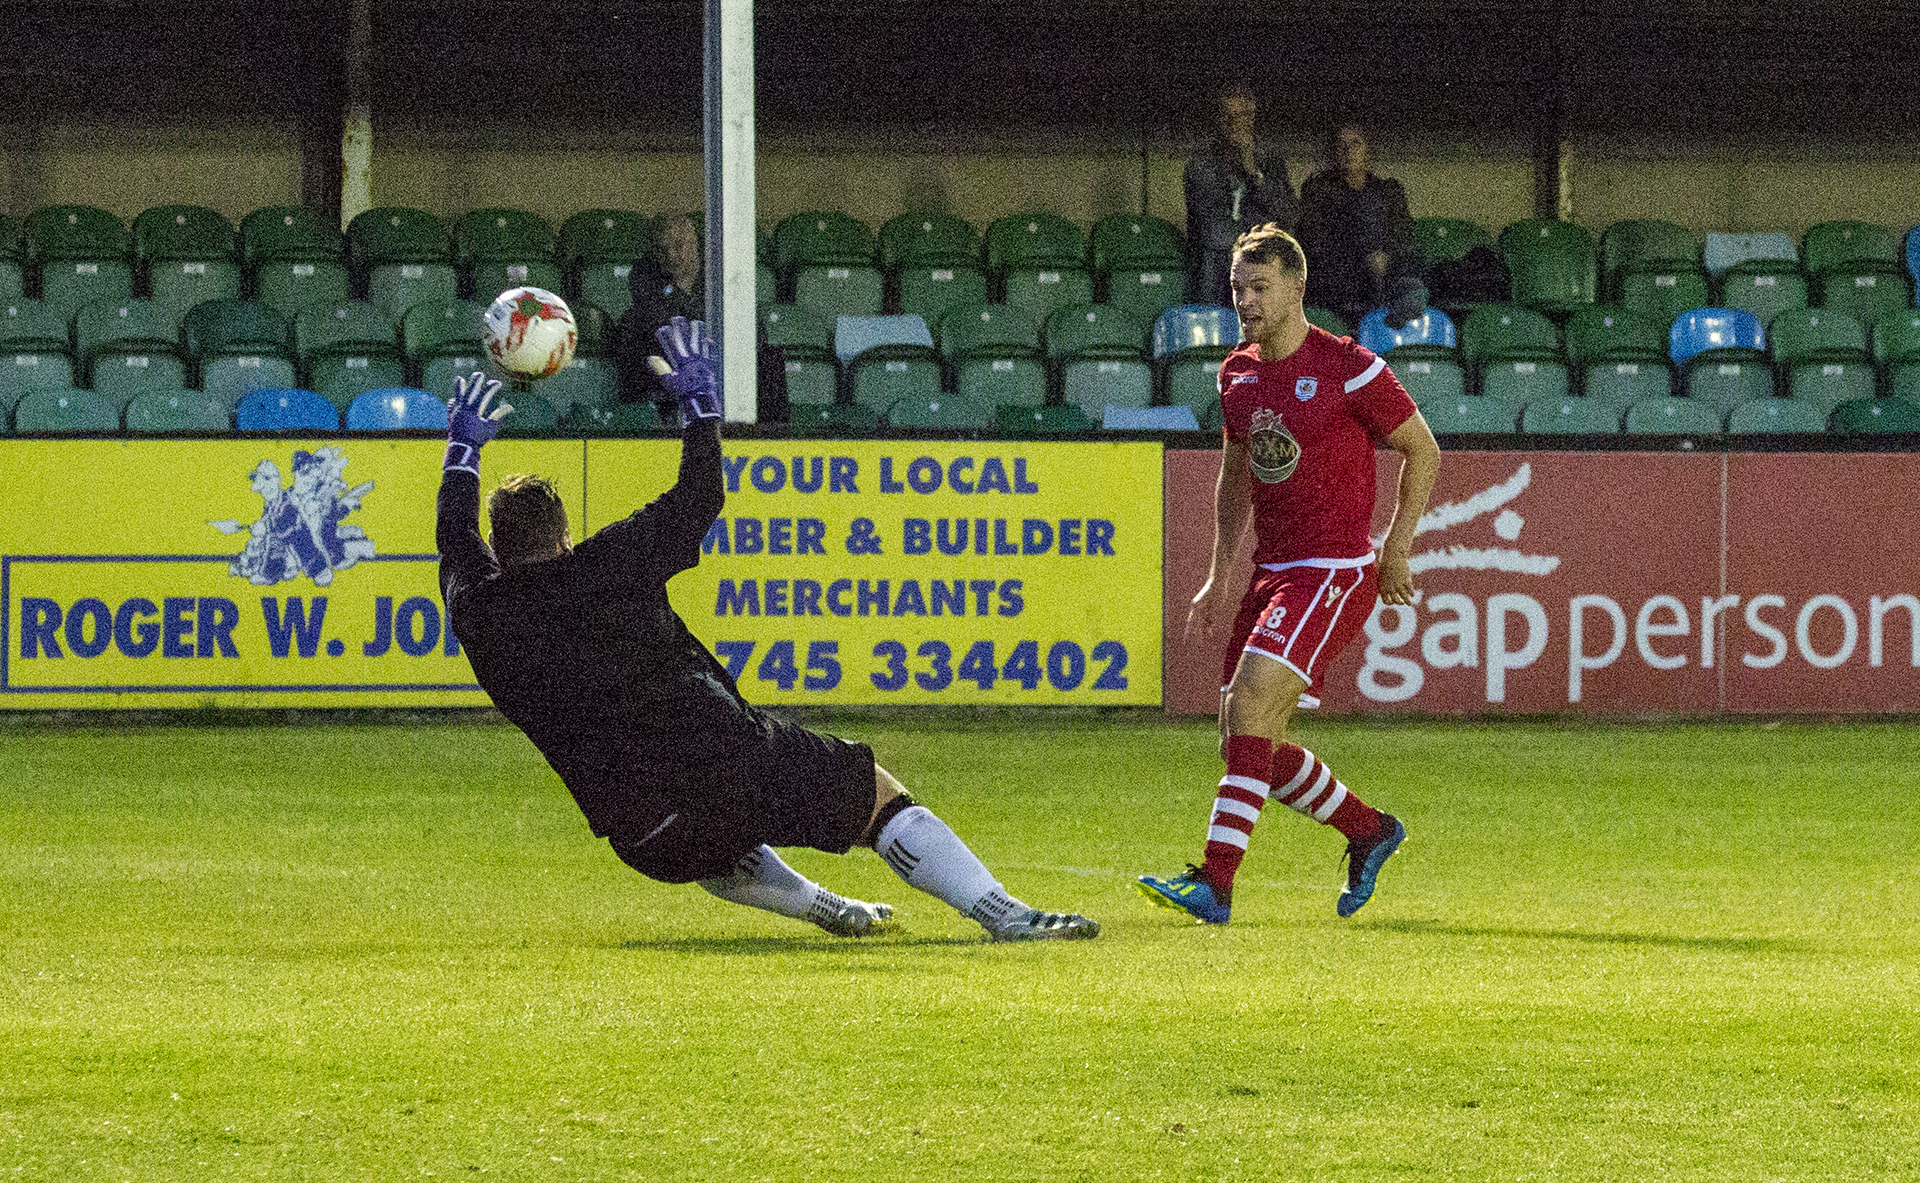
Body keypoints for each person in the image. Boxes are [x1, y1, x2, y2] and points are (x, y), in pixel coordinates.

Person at [437, 316, 1098, 942]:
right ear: (564, 535)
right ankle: (1005, 913)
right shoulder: (608, 563)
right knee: (875, 795)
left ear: (499, 544)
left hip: (647, 838)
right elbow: (699, 497)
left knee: (712, 844)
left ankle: (833, 909)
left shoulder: (481, 614)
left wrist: (460, 452)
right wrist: (700, 408)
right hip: (729, 766)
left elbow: (453, 543)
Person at [1136, 225, 1440, 925]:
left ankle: (1214, 882)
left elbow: (1422, 450)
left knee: (1249, 713)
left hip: (1333, 571)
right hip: (1272, 573)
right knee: (1244, 741)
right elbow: (1235, 476)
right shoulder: (1236, 373)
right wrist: (1218, 575)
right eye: (1238, 288)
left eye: (1259, 286)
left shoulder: (1349, 366)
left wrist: (1397, 547)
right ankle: (1369, 829)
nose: (1245, 299)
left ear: (1297, 289)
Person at [615, 214, 788, 423]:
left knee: (769, 357)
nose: (671, 256)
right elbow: (657, 332)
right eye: (662, 250)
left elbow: (748, 330)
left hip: (722, 363)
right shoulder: (645, 282)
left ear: (694, 241)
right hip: (674, 367)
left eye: (678, 246)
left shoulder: (721, 278)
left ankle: (772, 434)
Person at [1295, 124, 1424, 328]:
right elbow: (1314, 240)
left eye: (1355, 143)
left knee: (1412, 272)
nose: (1348, 151)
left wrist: (1384, 256)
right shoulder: (1319, 189)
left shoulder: (1387, 191)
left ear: (1368, 151)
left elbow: (1403, 234)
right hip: (1339, 269)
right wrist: (1363, 257)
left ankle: (1392, 325)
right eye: (1341, 145)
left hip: (1385, 267)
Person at [1184, 84, 1297, 309]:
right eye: (1228, 116)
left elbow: (1287, 214)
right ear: (1218, 120)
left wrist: (1254, 173)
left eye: (1240, 116)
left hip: (1259, 262)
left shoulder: (1270, 161)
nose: (1234, 123)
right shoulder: (1201, 164)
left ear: (1252, 117)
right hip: (1218, 263)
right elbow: (1211, 229)